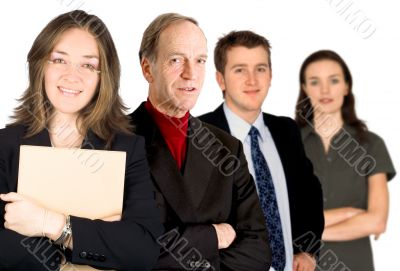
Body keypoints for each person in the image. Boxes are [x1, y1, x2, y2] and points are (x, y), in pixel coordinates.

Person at [0, 10, 163, 271]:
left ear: (103, 77)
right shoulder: (5, 145)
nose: (71, 76)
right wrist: (97, 238)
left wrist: (50, 224)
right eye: (59, 60)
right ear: (40, 66)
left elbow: (143, 250)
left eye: (87, 65)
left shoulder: (127, 148)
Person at [128, 13, 270, 271]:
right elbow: (119, 249)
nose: (190, 73)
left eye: (200, 60)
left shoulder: (228, 148)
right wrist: (213, 237)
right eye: (176, 60)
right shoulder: (112, 141)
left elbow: (259, 250)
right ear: (148, 68)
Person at [199, 30, 324, 271]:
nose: (252, 80)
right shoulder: (199, 136)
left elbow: (310, 193)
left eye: (260, 68)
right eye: (239, 70)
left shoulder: (286, 130)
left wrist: (308, 250)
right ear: (220, 79)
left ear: (271, 75)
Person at [294, 49, 396, 271]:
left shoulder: (372, 145)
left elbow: (377, 220)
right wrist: (350, 214)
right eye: (314, 81)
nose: (325, 90)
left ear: (346, 86)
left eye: (334, 80)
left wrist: (305, 238)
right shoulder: (288, 144)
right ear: (304, 88)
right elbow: (282, 218)